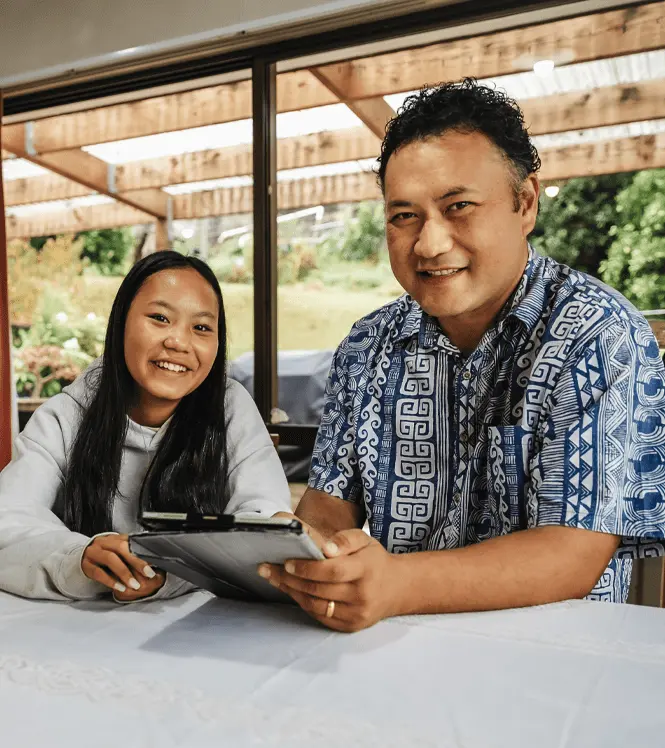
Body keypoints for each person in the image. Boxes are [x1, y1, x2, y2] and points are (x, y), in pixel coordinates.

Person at [258, 79, 665, 632]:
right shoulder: (366, 344)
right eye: (404, 216)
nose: (428, 243)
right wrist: (309, 558)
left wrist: (397, 583)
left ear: (525, 203)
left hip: (554, 663)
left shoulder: (599, 333)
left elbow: (573, 551)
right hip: (385, 652)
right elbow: (328, 506)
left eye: (459, 207)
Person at [0, 251, 291, 602]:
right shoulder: (67, 416)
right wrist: (80, 557)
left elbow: (262, 525)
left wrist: (171, 573)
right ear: (121, 322)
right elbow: (9, 520)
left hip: (200, 633)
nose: (179, 342)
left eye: (201, 327)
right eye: (160, 318)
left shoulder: (230, 409)